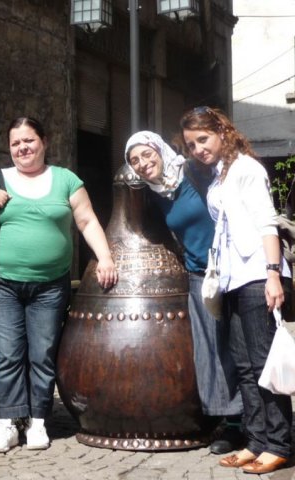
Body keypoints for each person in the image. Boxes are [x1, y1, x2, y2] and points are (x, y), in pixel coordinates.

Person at [0, 116, 118, 453]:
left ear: (44, 142)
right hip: (4, 283)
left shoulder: (66, 180)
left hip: (50, 285)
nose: (22, 148)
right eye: (15, 143)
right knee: (6, 354)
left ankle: (37, 421)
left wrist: (104, 257)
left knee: (42, 354)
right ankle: (6, 422)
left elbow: (86, 220)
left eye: (28, 140)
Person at [180, 106, 292, 474]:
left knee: (263, 362)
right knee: (244, 366)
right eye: (191, 144)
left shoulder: (247, 169)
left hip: (257, 274)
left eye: (203, 139)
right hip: (231, 277)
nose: (198, 149)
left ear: (223, 133)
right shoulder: (219, 174)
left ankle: (280, 443)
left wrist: (273, 274)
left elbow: (266, 223)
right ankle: (256, 439)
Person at [124, 131, 243, 454]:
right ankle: (233, 422)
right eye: (134, 161)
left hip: (234, 268)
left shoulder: (192, 172)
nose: (142, 163)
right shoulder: (154, 194)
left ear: (160, 150)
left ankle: (262, 418)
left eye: (146, 154)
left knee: (243, 345)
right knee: (212, 349)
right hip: (200, 274)